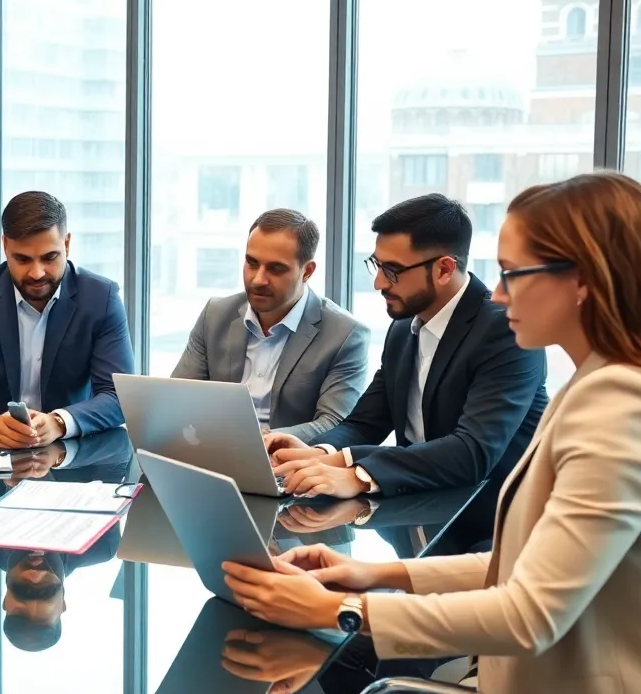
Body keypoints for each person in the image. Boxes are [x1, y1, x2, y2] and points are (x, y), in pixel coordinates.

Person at [224, 171, 641, 693]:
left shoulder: (616, 403)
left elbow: (530, 613)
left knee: (324, 656)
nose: (499, 295)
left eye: (512, 274)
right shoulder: (592, 385)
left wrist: (340, 609)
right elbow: (518, 565)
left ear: (582, 280)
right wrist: (373, 575)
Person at [267, 195, 547, 550]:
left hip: (492, 532)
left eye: (393, 270)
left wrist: (357, 474)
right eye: (377, 265)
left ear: (444, 269)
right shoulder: (403, 329)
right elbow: (365, 423)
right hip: (415, 516)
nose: (379, 283)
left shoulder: (505, 330)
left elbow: (471, 452)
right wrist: (320, 452)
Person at [0, 191, 134, 448]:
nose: (37, 273)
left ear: (67, 244)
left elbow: (119, 396)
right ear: (5, 246)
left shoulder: (101, 298)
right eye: (22, 259)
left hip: (73, 452)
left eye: (50, 257)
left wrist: (60, 422)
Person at [171, 209, 369, 440]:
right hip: (211, 448)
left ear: (307, 271)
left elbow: (333, 423)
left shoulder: (345, 335)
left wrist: (257, 442)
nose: (258, 279)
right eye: (252, 263)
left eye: (276, 269)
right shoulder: (215, 315)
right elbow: (178, 398)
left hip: (286, 458)